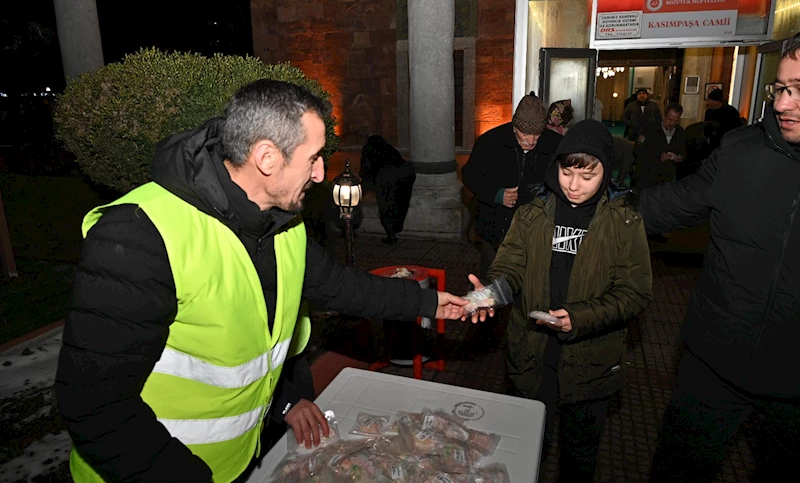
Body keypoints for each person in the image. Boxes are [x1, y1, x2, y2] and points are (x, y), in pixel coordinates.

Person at [54, 80, 484, 483]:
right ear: (266, 158)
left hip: (237, 462)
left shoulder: (280, 224)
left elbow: (341, 287)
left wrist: (429, 303)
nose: (321, 174)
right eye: (313, 158)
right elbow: (96, 407)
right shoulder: (139, 235)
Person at [642, 32, 800, 483]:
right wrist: (592, 207)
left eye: (798, 90)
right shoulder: (741, 151)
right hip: (713, 360)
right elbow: (671, 204)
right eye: (780, 88)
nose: (783, 104)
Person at [472, 119, 653, 482]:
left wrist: (580, 317)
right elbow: (511, 267)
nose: (574, 185)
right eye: (567, 172)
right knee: (527, 448)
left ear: (606, 172)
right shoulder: (533, 212)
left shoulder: (624, 222)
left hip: (590, 363)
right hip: (533, 355)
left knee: (579, 456)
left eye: (588, 176)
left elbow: (635, 293)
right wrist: (491, 293)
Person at [462, 92, 562, 278]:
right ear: (515, 126)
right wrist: (496, 194)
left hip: (536, 233)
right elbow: (470, 176)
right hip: (495, 230)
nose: (531, 141)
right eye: (526, 134)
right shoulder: (491, 141)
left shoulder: (555, 145)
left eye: (537, 135)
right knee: (492, 282)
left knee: (530, 282)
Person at [359, 134, 415, 245]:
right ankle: (394, 230)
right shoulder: (388, 148)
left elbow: (366, 170)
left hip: (386, 179)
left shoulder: (369, 150)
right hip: (402, 177)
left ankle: (391, 234)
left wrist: (362, 189)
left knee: (386, 208)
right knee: (398, 206)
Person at [633, 103, 686, 191]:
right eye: (669, 119)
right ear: (664, 116)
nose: (672, 123)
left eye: (675, 121)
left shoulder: (679, 132)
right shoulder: (650, 128)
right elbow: (638, 150)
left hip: (667, 177)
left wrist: (679, 157)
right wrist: (658, 156)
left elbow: (683, 150)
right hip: (647, 175)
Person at [703, 88, 742, 153]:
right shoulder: (709, 112)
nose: (707, 103)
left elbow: (735, 128)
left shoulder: (731, 112)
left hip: (727, 143)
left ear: (716, 101)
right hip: (712, 144)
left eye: (709, 100)